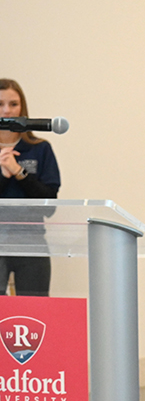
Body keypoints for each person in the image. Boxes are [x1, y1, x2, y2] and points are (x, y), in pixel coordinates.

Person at [0, 78, 61, 297]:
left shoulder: (40, 149)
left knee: (35, 311)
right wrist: (4, 176)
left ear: (22, 108)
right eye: (0, 104)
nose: (7, 110)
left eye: (13, 104)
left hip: (31, 242)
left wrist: (19, 173)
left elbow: (49, 205)